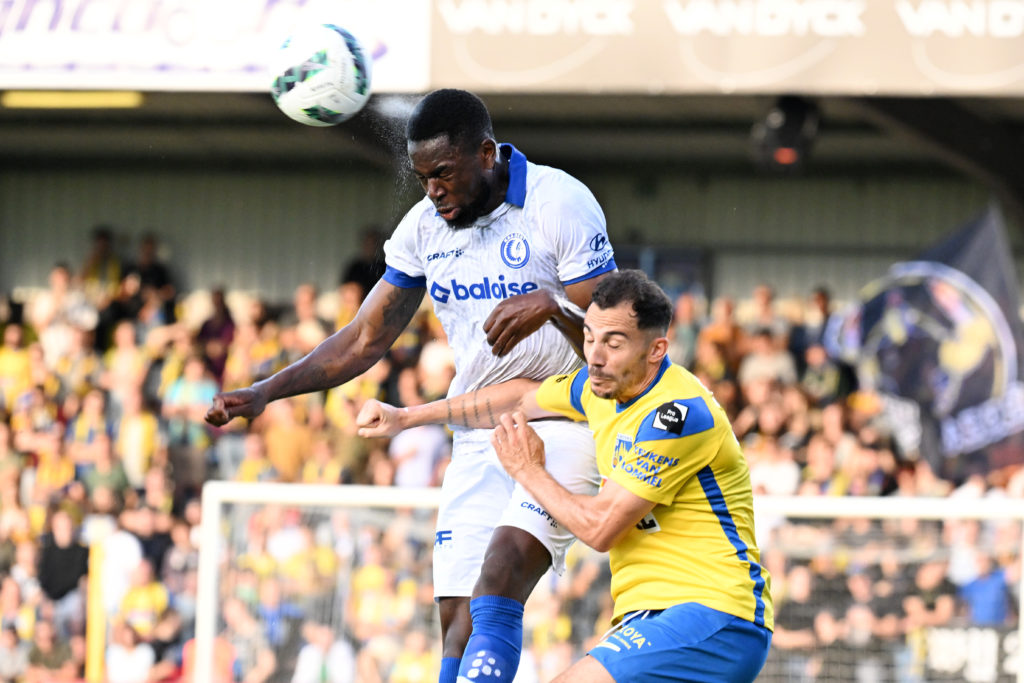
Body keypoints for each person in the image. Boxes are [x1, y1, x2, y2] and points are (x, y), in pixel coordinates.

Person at [205, 88, 617, 682]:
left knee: (499, 573)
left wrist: (553, 305)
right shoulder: (425, 227)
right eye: (422, 177)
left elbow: (616, 342)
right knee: (456, 615)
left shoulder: (560, 204)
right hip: (483, 428)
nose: (433, 191)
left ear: (485, 153)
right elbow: (364, 337)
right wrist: (268, 390)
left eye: (444, 173)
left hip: (568, 421)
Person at [357, 270, 773, 682]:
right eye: (589, 337)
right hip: (654, 618)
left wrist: (528, 471)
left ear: (656, 350)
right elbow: (519, 397)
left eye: (614, 342)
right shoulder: (600, 389)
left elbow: (600, 527)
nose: (594, 355)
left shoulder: (676, 415)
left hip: (712, 615)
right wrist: (408, 417)